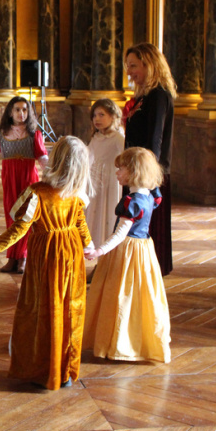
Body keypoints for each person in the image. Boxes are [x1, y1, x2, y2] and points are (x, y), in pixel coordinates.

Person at [0, 136, 94, 390]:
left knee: (44, 310)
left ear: (55, 160)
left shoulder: (37, 193)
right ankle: (64, 370)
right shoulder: (75, 194)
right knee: (69, 309)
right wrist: (88, 246)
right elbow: (80, 223)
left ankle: (44, 369)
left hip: (47, 258)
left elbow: (18, 230)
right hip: (72, 254)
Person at [83, 147, 171, 364]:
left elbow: (121, 234)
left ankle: (117, 342)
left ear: (133, 171)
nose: (117, 172)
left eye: (120, 168)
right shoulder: (151, 196)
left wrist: (99, 251)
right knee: (141, 295)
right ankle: (138, 340)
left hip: (126, 253)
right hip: (144, 251)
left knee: (119, 294)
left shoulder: (131, 203)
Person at [0, 96, 48, 274]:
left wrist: (55, 175)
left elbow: (43, 158)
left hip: (29, 179)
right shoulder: (1, 134)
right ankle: (12, 258)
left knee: (26, 217)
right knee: (11, 216)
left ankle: (23, 257)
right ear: (10, 112)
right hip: (9, 178)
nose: (21, 113)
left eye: (25, 110)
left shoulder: (34, 133)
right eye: (17, 110)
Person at [122, 43, 177, 276]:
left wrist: (146, 180)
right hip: (137, 170)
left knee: (144, 226)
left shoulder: (158, 96)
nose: (129, 72)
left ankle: (147, 270)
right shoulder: (145, 96)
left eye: (133, 66)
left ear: (149, 64)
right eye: (128, 67)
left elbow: (155, 140)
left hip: (147, 175)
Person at [85, 98, 125, 259]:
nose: (97, 119)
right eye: (94, 116)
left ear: (113, 116)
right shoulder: (96, 137)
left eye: (102, 115)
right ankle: (98, 258)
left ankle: (107, 259)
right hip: (95, 185)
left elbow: (125, 158)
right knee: (95, 219)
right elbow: (88, 156)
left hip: (110, 184)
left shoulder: (117, 138)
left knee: (108, 217)